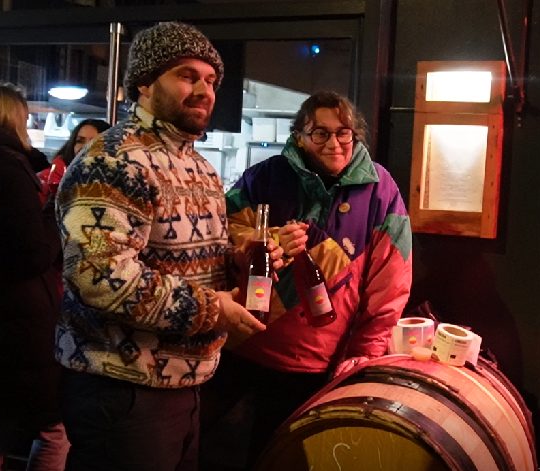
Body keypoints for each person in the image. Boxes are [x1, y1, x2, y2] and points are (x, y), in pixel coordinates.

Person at [55, 22, 281, 471]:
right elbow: (101, 277)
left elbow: (194, 267)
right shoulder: (115, 158)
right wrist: (214, 311)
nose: (203, 89)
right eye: (186, 75)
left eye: (211, 80)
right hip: (123, 390)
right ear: (144, 82)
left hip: (184, 384)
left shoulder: (198, 166)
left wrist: (240, 262)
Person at [201, 90, 413, 469]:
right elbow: (220, 235)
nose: (334, 142)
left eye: (343, 132)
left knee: (276, 460)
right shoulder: (266, 175)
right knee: (206, 452)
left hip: (312, 365)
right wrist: (255, 244)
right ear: (300, 135)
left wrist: (363, 352)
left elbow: (390, 283)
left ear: (355, 135)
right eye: (320, 133)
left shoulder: (381, 190)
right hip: (239, 344)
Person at [0, 81, 68, 470]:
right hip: (21, 314)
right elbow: (32, 254)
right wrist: (54, 212)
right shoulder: (8, 164)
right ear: (12, 116)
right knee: (54, 426)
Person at [37, 118, 110, 205]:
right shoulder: (48, 181)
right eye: (80, 141)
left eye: (93, 142)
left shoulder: (118, 184)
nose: (85, 147)